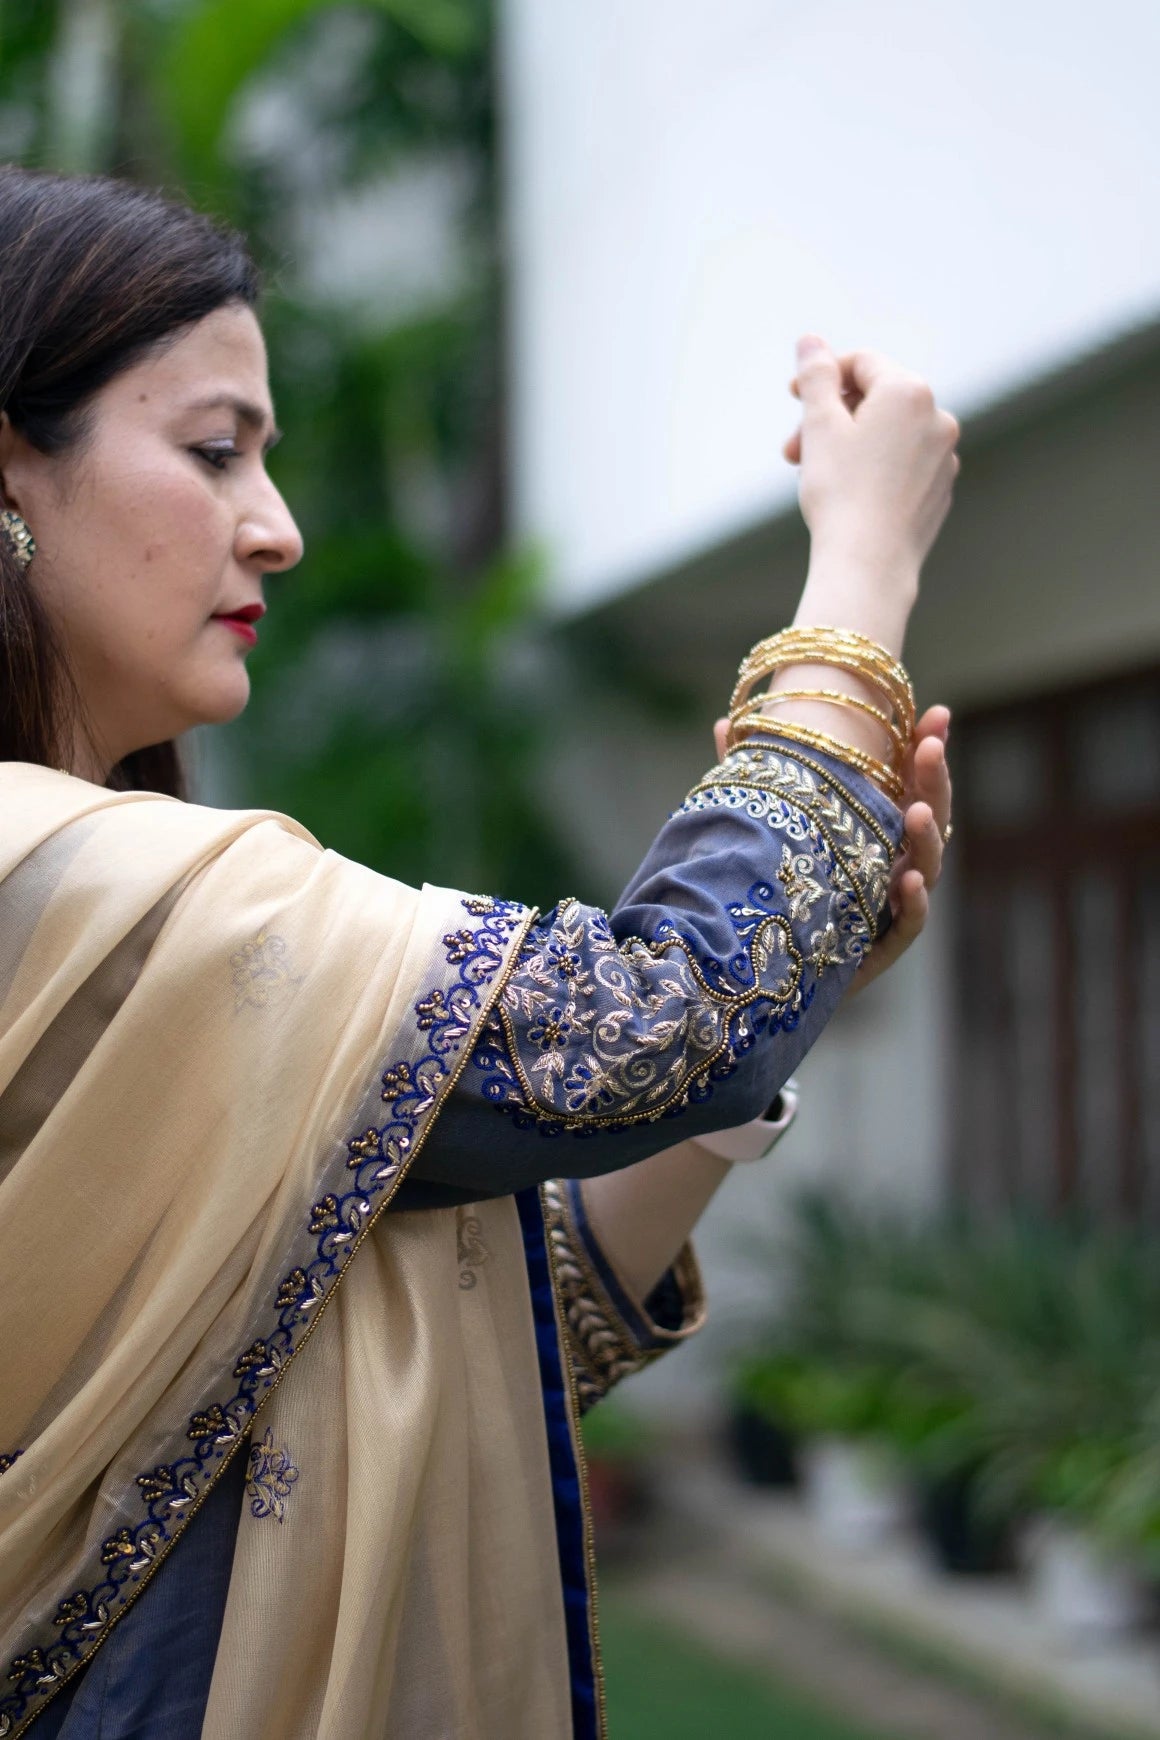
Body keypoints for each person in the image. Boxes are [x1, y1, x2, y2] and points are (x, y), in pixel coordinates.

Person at [0, 167, 954, 1740]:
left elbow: (507, 1322)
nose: (280, 529)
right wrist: (864, 565)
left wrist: (779, 1013)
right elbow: (672, 1015)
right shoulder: (74, 892)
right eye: (214, 450)